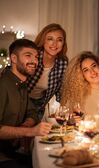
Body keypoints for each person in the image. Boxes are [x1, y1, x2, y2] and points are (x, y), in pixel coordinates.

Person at [0, 39, 52, 168]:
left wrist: (25, 126)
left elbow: (32, 112)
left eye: (36, 57)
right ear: (14, 58)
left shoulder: (21, 84)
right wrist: (29, 132)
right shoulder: (2, 85)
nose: (34, 61)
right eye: (28, 55)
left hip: (15, 151)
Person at [27, 23, 68, 120]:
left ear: (63, 43)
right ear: (43, 40)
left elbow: (60, 92)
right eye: (50, 39)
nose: (54, 44)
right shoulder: (33, 57)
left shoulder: (62, 64)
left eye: (59, 40)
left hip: (39, 105)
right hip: (20, 102)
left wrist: (63, 111)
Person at [61, 51, 99, 116]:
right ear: (82, 75)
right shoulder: (76, 96)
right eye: (86, 70)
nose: (92, 71)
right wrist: (73, 119)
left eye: (94, 66)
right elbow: (65, 119)